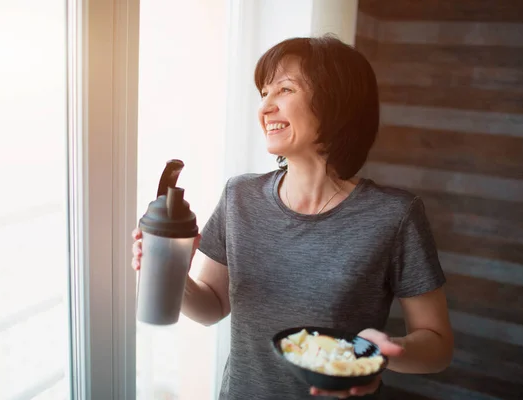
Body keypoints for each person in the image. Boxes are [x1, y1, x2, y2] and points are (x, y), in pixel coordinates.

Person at [132, 35, 453, 399]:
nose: (265, 107)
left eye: (284, 90)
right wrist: (173, 275)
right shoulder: (239, 196)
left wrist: (383, 354)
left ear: (337, 103)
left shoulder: (394, 216)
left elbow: (438, 345)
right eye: (264, 93)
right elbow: (212, 308)